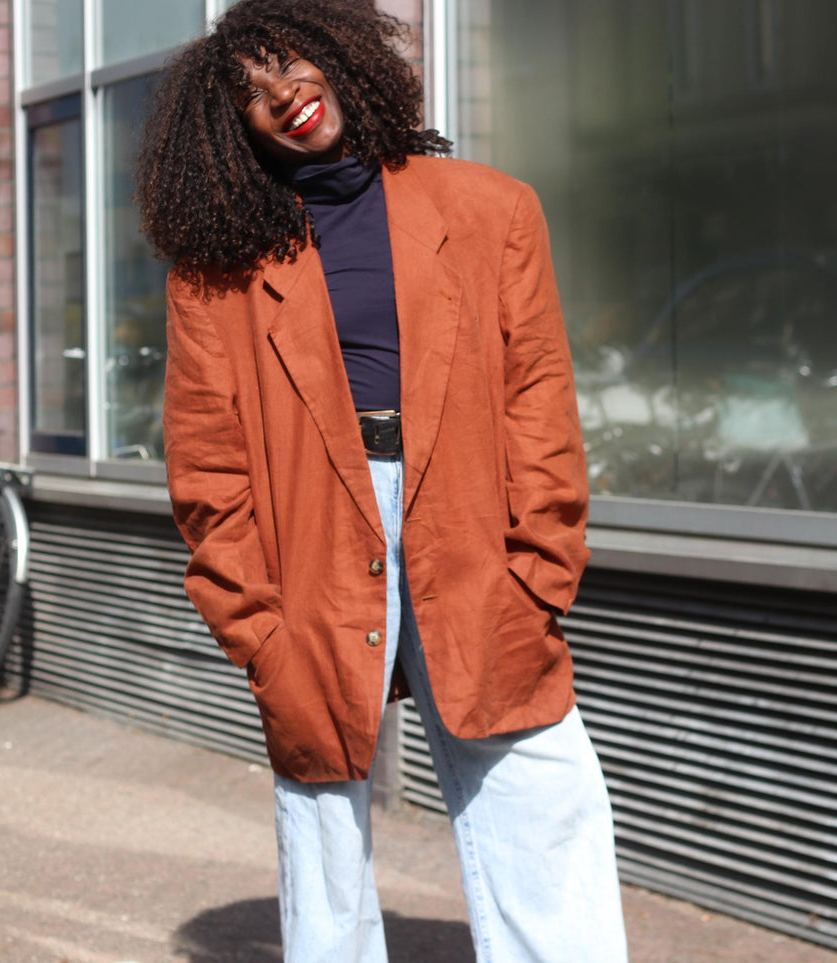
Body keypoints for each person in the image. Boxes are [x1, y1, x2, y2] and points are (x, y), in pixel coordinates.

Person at [135, 1, 628, 960]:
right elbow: (205, 459)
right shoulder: (217, 266)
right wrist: (256, 625)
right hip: (311, 531)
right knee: (321, 815)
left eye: (289, 64)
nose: (283, 96)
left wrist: (542, 569)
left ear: (337, 53)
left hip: (474, 521)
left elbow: (539, 401)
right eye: (250, 94)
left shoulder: (491, 208)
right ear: (231, 125)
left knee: (539, 783)